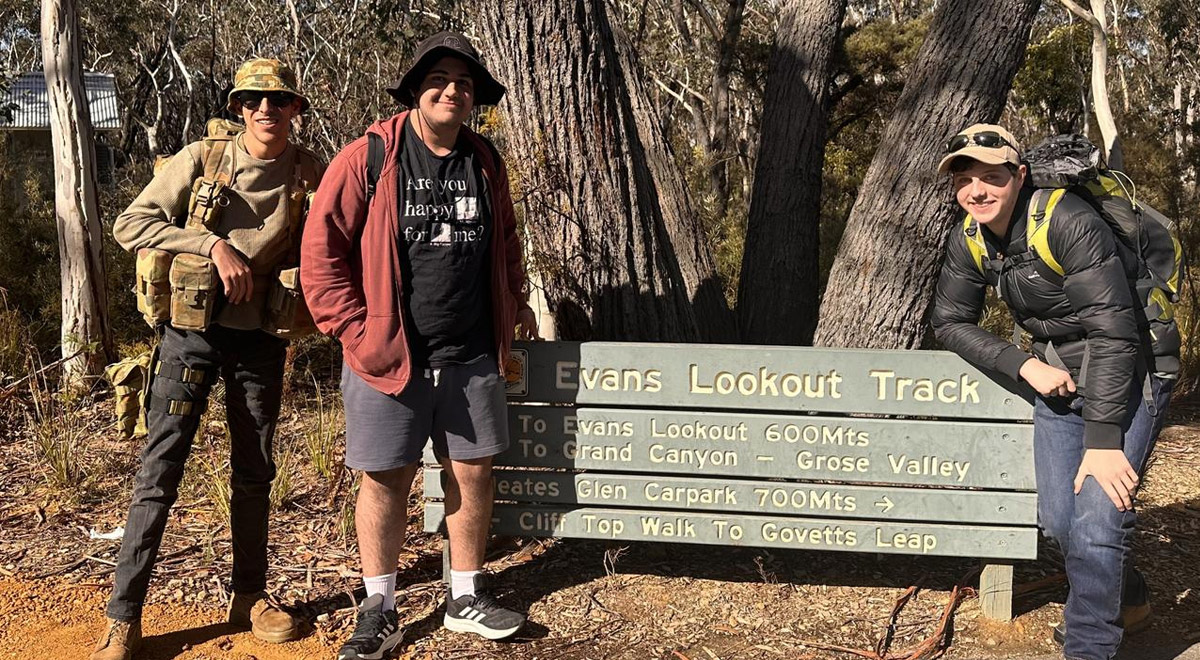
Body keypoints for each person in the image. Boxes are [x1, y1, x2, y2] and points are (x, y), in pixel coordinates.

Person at [300, 31, 538, 659]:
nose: (451, 90)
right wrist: (355, 331)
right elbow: (322, 255)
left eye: (463, 82)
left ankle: (465, 594)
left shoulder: (485, 160)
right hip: (390, 358)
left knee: (474, 470)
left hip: (472, 352)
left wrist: (514, 304)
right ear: (414, 89)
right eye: (439, 78)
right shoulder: (369, 157)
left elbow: (505, 240)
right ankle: (380, 605)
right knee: (385, 480)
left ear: (473, 98)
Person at [92, 59, 324, 660]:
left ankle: (249, 596)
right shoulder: (202, 157)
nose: (265, 111)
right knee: (159, 471)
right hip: (190, 335)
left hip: (261, 341)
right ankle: (125, 618)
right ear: (239, 106)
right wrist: (212, 244)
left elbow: (340, 241)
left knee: (254, 472)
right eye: (252, 100)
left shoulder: (307, 173)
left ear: (295, 108)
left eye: (278, 101)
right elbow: (129, 223)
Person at [930, 123, 1174, 660]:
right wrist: (1022, 365)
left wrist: (1105, 440)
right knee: (1061, 521)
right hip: (1058, 377)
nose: (977, 191)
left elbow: (1114, 332)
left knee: (1097, 519)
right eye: (965, 179)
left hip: (1132, 372)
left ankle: (1089, 646)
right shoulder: (970, 237)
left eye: (992, 177)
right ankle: (1125, 597)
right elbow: (948, 321)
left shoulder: (1067, 219)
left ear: (1018, 177)